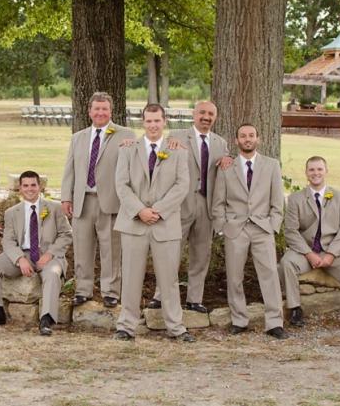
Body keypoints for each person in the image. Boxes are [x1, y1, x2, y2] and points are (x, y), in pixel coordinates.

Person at [113, 103, 194, 342]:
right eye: (148, 121)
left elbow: (182, 185)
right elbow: (121, 185)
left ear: (164, 122)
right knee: (130, 277)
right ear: (142, 122)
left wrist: (156, 210)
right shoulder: (128, 150)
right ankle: (126, 326)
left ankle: (176, 327)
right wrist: (140, 211)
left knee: (168, 279)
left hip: (165, 223)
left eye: (157, 121)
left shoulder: (178, 150)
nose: (153, 125)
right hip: (133, 223)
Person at [147, 101, 231, 313]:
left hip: (206, 204)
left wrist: (228, 159)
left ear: (215, 117)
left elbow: (224, 171)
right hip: (179, 204)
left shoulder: (221, 143)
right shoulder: (175, 136)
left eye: (211, 114)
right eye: (202, 112)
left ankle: (195, 299)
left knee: (201, 254)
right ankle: (161, 295)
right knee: (171, 252)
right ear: (194, 115)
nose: (206, 117)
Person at [211, 123, 288, 340]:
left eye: (251, 135)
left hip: (263, 227)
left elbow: (277, 200)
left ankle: (274, 322)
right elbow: (218, 203)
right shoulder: (227, 168)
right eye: (243, 136)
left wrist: (273, 225)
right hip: (236, 229)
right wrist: (223, 228)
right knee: (234, 276)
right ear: (236, 141)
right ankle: (239, 319)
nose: (247, 139)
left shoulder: (271, 165)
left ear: (258, 139)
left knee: (270, 275)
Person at [281, 156, 340, 338]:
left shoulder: (339, 197)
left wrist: (331, 254)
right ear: (306, 173)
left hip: (335, 250)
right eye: (312, 170)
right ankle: (295, 308)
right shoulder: (295, 199)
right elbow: (290, 230)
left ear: (326, 171)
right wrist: (308, 254)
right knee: (286, 263)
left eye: (319, 169)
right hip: (306, 250)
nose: (316, 173)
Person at [60, 92, 135, 308]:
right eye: (97, 109)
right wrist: (66, 197)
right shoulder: (78, 137)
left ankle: (110, 291)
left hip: (111, 201)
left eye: (104, 109)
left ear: (111, 111)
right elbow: (69, 170)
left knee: (111, 249)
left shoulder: (125, 135)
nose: (100, 112)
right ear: (89, 111)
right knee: (82, 248)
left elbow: (133, 168)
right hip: (82, 201)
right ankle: (83, 290)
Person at [0, 171, 71, 336]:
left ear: (40, 187)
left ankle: (46, 319)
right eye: (25, 186)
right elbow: (8, 241)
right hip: (24, 254)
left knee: (52, 274)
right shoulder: (11, 213)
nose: (30, 189)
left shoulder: (55, 208)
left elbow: (66, 235)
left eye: (33, 185)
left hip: (48, 256)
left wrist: (50, 254)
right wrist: (19, 258)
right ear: (20, 189)